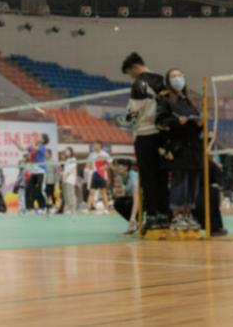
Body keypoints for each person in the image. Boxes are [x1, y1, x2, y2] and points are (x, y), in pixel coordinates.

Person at [121, 52, 169, 230]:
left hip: (145, 134)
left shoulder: (139, 83)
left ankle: (152, 216)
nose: (131, 77)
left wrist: (124, 120)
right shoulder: (163, 80)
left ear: (135, 67)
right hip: (162, 135)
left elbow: (133, 113)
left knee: (148, 178)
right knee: (162, 176)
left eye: (130, 73)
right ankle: (164, 215)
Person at [156, 68, 203, 231]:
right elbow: (160, 122)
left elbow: (196, 124)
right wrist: (177, 122)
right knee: (180, 182)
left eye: (180, 75)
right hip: (178, 148)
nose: (177, 78)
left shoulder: (188, 101)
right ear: (168, 81)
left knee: (193, 183)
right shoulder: (165, 100)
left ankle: (188, 214)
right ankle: (177, 216)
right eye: (173, 76)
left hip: (193, 149)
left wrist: (199, 124)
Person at [10, 134, 49, 213]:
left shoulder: (42, 147)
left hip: (41, 171)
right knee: (28, 189)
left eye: (40, 137)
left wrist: (31, 141)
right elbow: (22, 149)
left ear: (43, 140)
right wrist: (16, 143)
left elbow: (35, 148)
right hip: (33, 172)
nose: (38, 137)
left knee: (40, 190)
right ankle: (29, 208)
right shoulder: (33, 146)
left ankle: (44, 208)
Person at [111, 159, 141, 234]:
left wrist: (132, 216)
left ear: (126, 167)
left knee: (128, 203)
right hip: (133, 199)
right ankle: (135, 224)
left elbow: (136, 199)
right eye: (114, 165)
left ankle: (138, 222)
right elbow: (126, 195)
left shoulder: (134, 177)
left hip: (143, 201)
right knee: (118, 203)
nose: (115, 168)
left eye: (118, 165)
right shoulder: (121, 176)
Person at [86, 141, 111, 212]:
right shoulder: (92, 154)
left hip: (102, 175)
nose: (94, 146)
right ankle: (88, 207)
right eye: (94, 144)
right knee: (91, 192)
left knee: (103, 192)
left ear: (100, 145)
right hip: (94, 175)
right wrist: (89, 167)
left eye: (95, 144)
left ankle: (107, 208)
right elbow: (88, 164)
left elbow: (110, 165)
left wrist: (104, 167)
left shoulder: (105, 154)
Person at [59, 147, 79, 214]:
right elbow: (64, 170)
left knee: (71, 195)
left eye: (67, 151)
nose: (66, 152)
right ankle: (67, 209)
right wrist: (62, 173)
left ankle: (73, 209)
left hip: (70, 180)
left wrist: (64, 173)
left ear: (71, 152)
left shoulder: (74, 159)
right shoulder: (66, 160)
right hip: (64, 180)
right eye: (65, 151)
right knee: (66, 196)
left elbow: (69, 170)